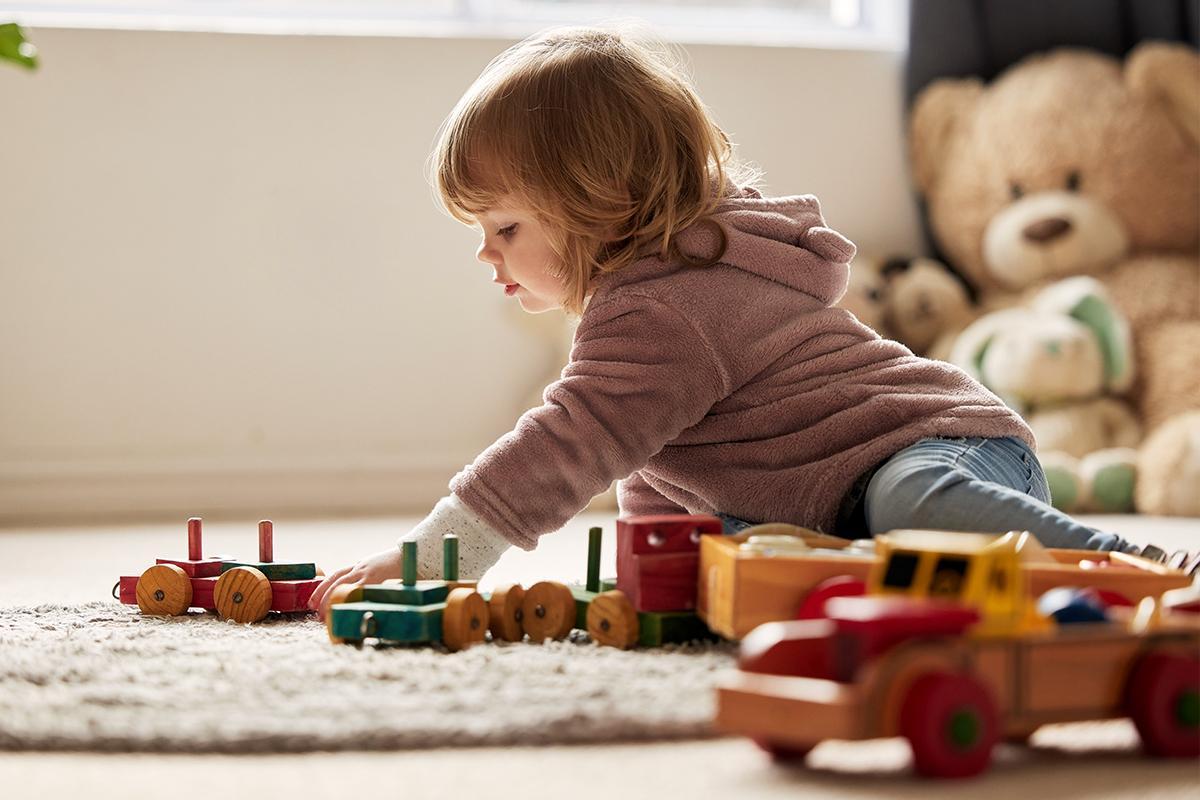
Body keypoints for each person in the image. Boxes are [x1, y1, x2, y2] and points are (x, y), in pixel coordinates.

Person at [309, 24, 1168, 614]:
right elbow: (654, 472)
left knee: (905, 504)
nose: (486, 254)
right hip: (856, 497)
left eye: (505, 228)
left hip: (941, 451)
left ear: (603, 203)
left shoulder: (664, 305)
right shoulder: (656, 298)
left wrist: (435, 557)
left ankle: (1134, 567)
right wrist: (652, 589)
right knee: (753, 559)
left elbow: (572, 443)